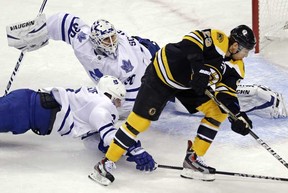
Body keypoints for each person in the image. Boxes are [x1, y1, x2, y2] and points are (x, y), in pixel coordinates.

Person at [6, 14, 286, 119]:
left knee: (184, 102)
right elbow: (60, 22)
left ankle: (254, 96)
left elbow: (127, 102)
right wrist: (37, 32)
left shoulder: (122, 63)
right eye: (106, 39)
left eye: (113, 36)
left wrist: (96, 103)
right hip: (152, 56)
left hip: (152, 67)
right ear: (95, 40)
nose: (112, 42)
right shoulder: (82, 36)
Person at [88, 25, 257, 185]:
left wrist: (238, 115)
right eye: (245, 51)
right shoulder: (218, 38)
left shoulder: (237, 68)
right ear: (235, 46)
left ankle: (193, 159)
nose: (246, 55)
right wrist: (200, 69)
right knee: (140, 121)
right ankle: (105, 164)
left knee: (217, 112)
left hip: (186, 85)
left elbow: (226, 94)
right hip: (162, 73)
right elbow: (190, 42)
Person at [0, 75, 155, 172]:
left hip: (25, 105)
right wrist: (135, 149)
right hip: (24, 111)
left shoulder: (92, 98)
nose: (118, 105)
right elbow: (109, 137)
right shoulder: (103, 105)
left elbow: (90, 140)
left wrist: (116, 149)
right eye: (117, 100)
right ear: (109, 95)